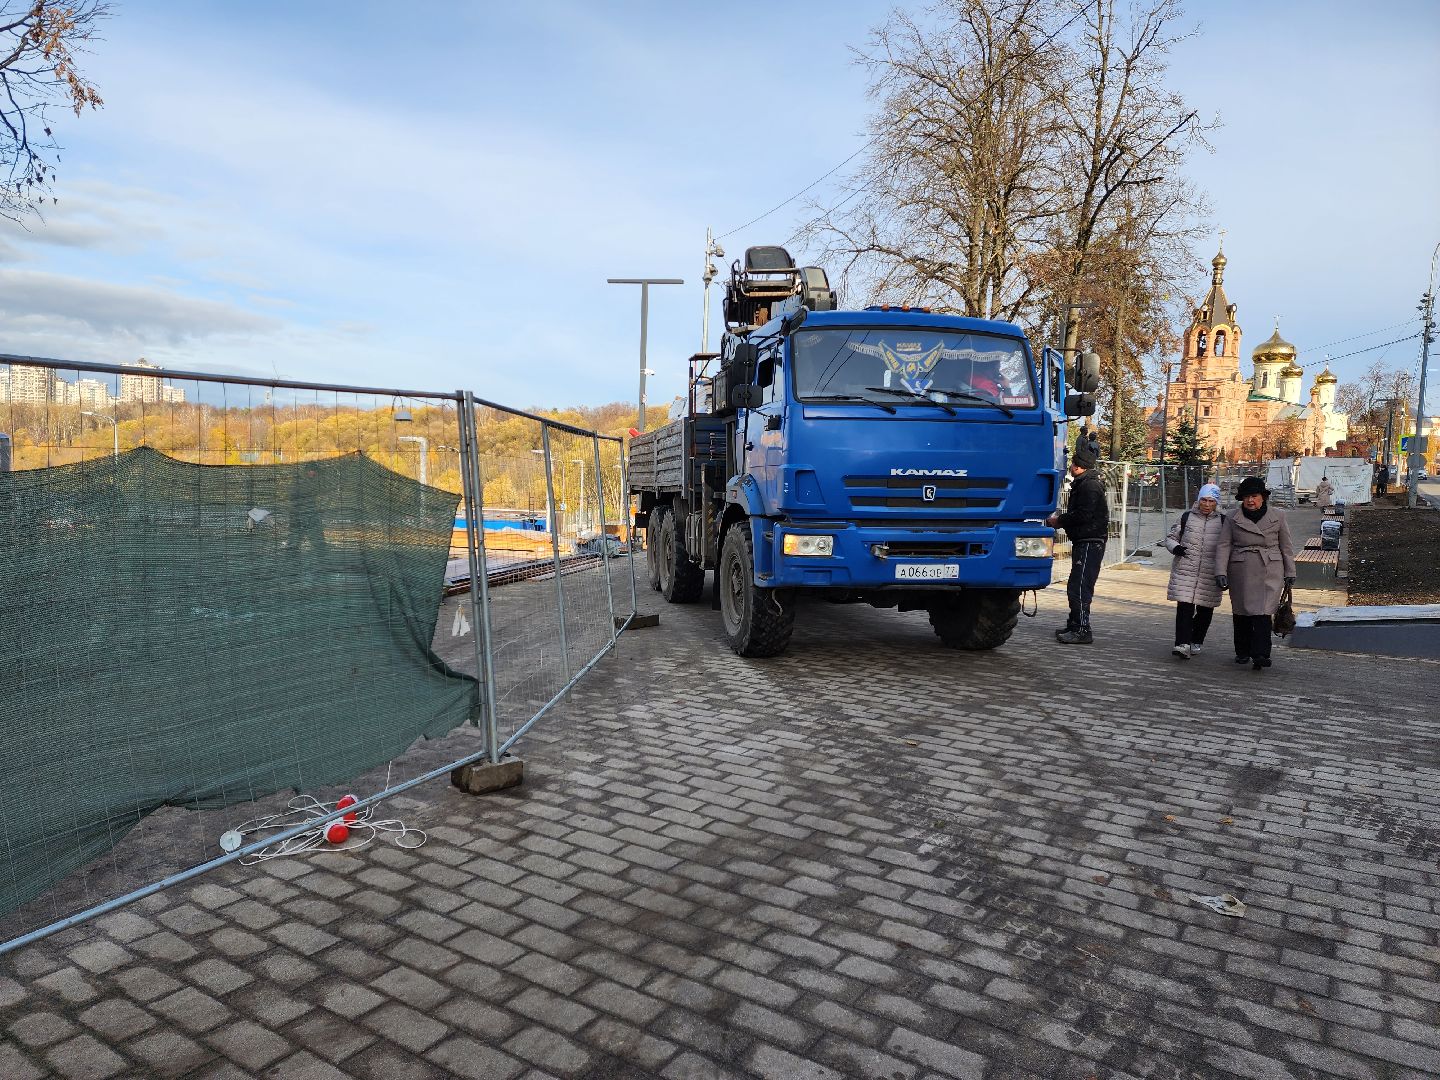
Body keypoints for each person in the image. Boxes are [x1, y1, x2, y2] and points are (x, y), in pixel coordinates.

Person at [1215, 476, 1296, 671]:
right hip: (1241, 569)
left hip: (1270, 568)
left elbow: (1286, 546)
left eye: (1254, 496)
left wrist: (1290, 571)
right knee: (1242, 613)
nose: (1250, 500)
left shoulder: (1278, 516)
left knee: (1263, 613)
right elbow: (1224, 545)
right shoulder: (1232, 517)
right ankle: (1242, 651)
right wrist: (1220, 571)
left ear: (1263, 497)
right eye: (1246, 497)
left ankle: (1261, 654)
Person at [1047, 440, 1108, 644]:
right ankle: (1075, 624)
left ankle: (1082, 628)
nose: (1071, 467)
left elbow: (1083, 514)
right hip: (1086, 540)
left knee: (1080, 586)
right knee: (1077, 584)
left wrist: (1059, 521)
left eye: (1073, 463)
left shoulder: (1089, 486)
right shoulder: (1086, 483)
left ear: (1078, 466)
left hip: (1090, 541)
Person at [1162, 483, 1225, 659]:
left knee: (1205, 610)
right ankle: (1182, 643)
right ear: (1198, 500)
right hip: (1185, 570)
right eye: (1203, 500)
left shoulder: (1223, 522)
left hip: (1210, 573)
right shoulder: (1186, 517)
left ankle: (1196, 639)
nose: (1206, 504)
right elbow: (1171, 538)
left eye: (1211, 501)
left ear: (1216, 502)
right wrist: (1176, 548)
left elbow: (1228, 546)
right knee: (1184, 608)